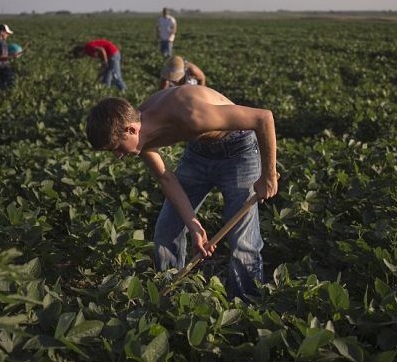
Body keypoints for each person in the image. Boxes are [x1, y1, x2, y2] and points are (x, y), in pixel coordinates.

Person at [86, 86, 279, 301]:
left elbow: (263, 118)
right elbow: (166, 177)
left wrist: (268, 175)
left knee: (242, 241)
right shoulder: (142, 135)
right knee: (166, 230)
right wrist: (193, 224)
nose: (119, 156)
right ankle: (172, 296)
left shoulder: (191, 114)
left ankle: (249, 304)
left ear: (130, 130)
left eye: (117, 148)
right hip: (198, 152)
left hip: (238, 150)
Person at [0, 24, 20, 90]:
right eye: (7, 33)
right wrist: (12, 56)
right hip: (1, 67)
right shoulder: (0, 43)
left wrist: (10, 55)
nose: (8, 35)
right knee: (11, 80)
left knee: (2, 82)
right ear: (1, 32)